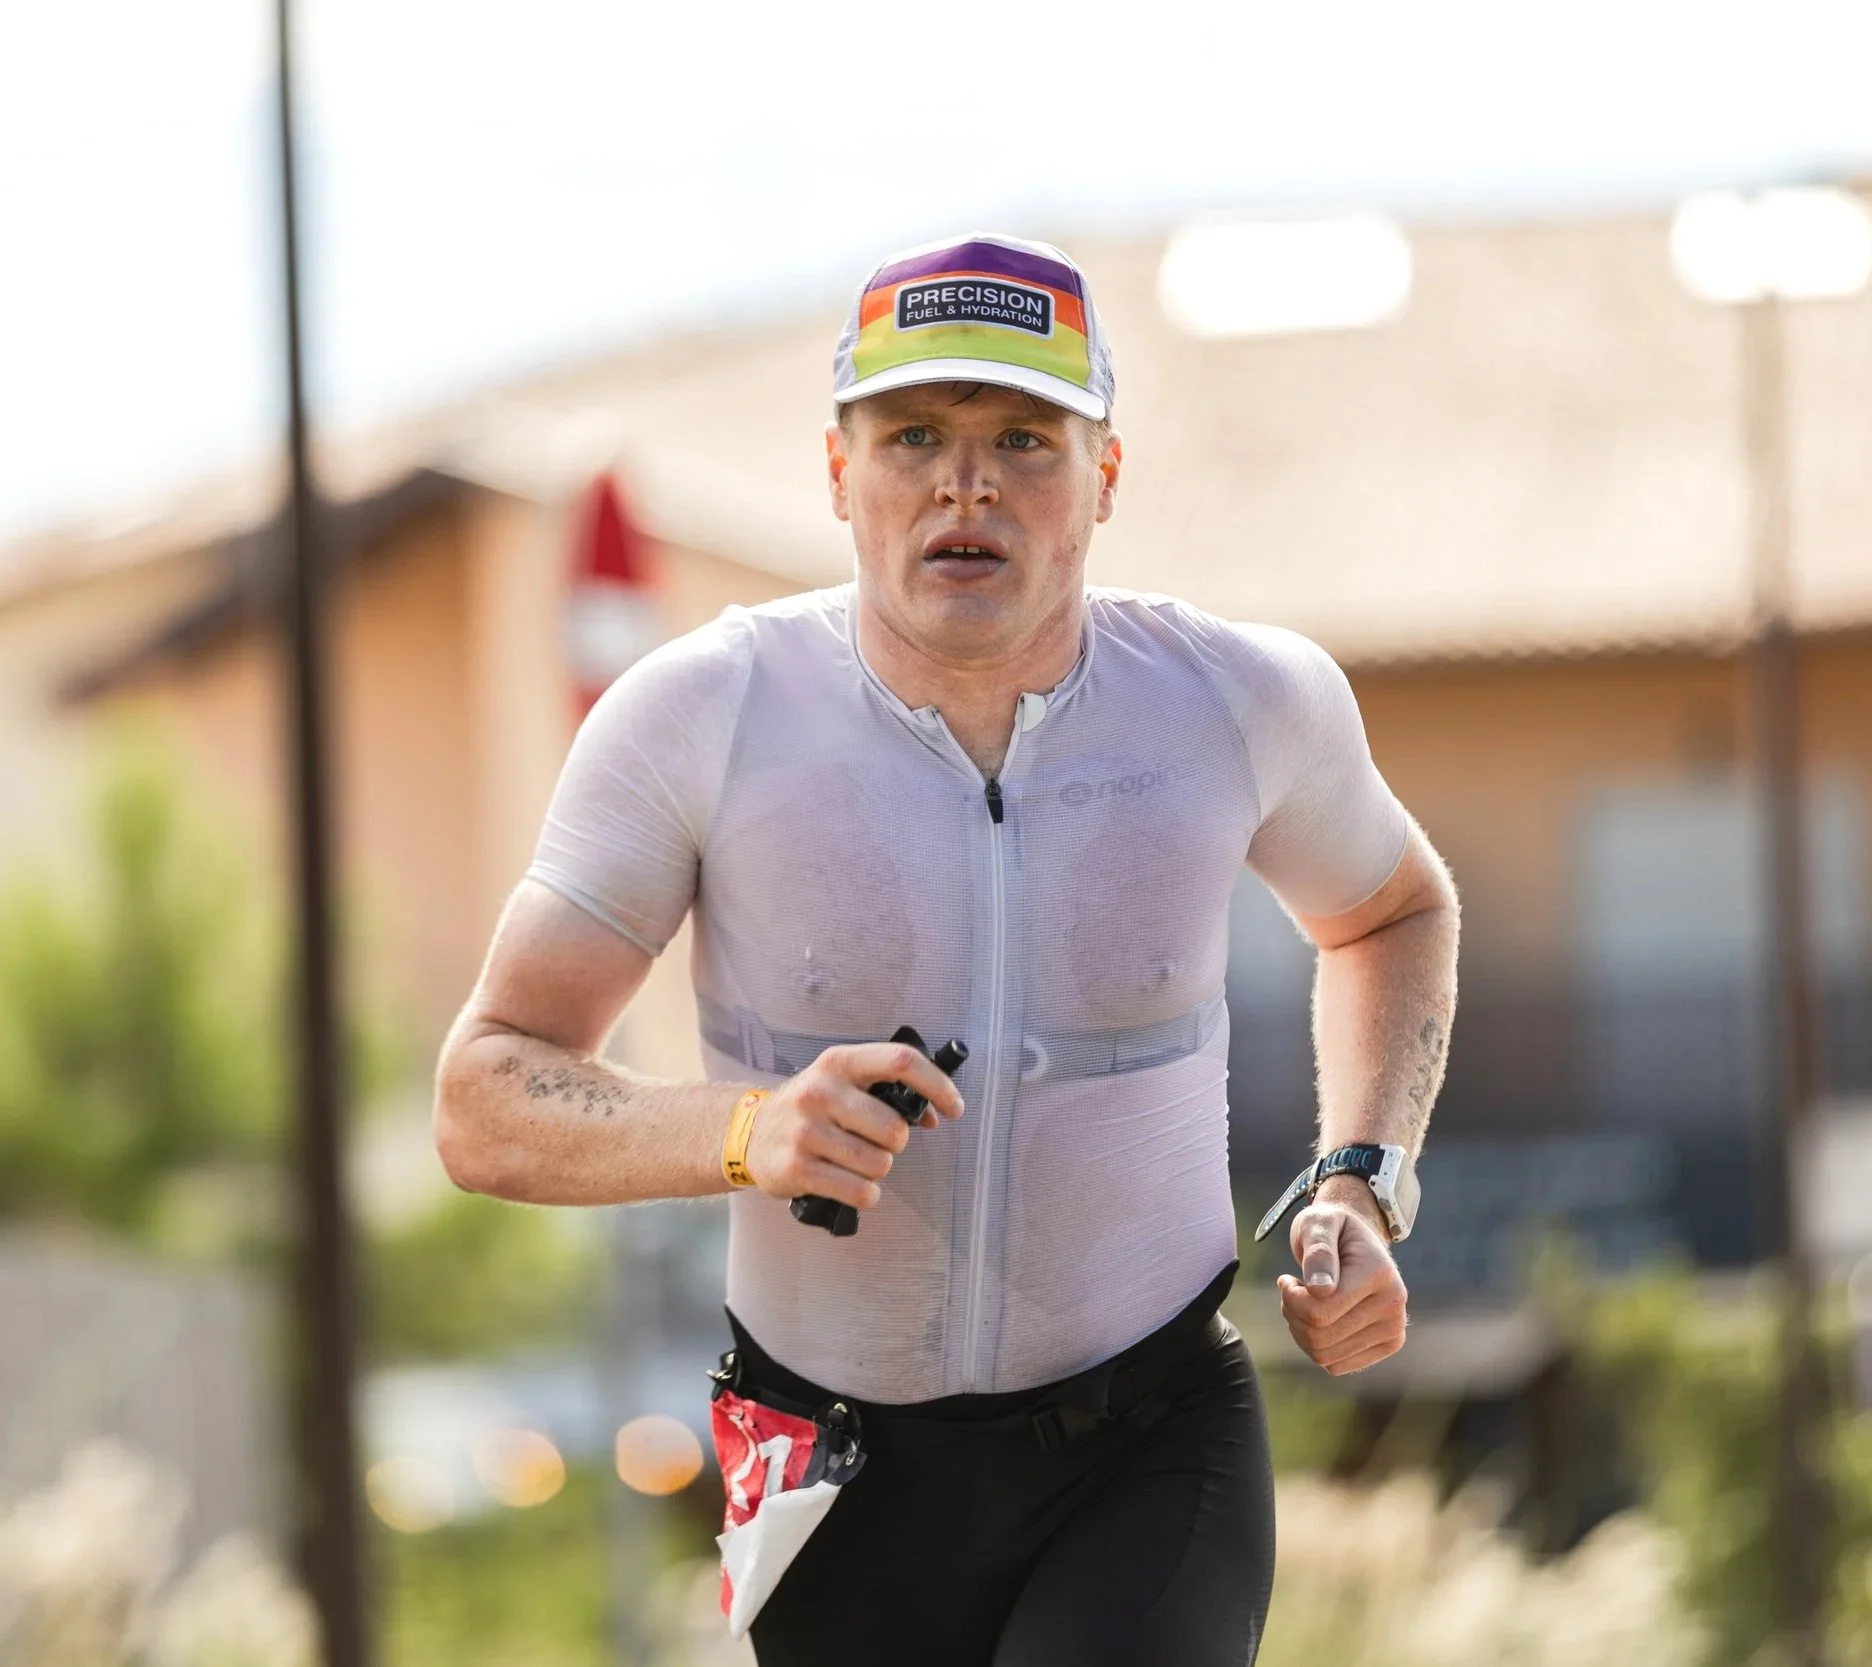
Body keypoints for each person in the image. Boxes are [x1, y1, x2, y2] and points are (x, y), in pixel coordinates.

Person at [434, 232, 1460, 1666]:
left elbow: (1396, 910)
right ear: (841, 475)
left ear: (1104, 478)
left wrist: (1365, 1172)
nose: (964, 483)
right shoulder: (702, 720)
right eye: (914, 434)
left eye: (1023, 439)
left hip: (1146, 1440)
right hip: (825, 1462)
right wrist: (747, 1128)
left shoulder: (1237, 702)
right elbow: (485, 1095)